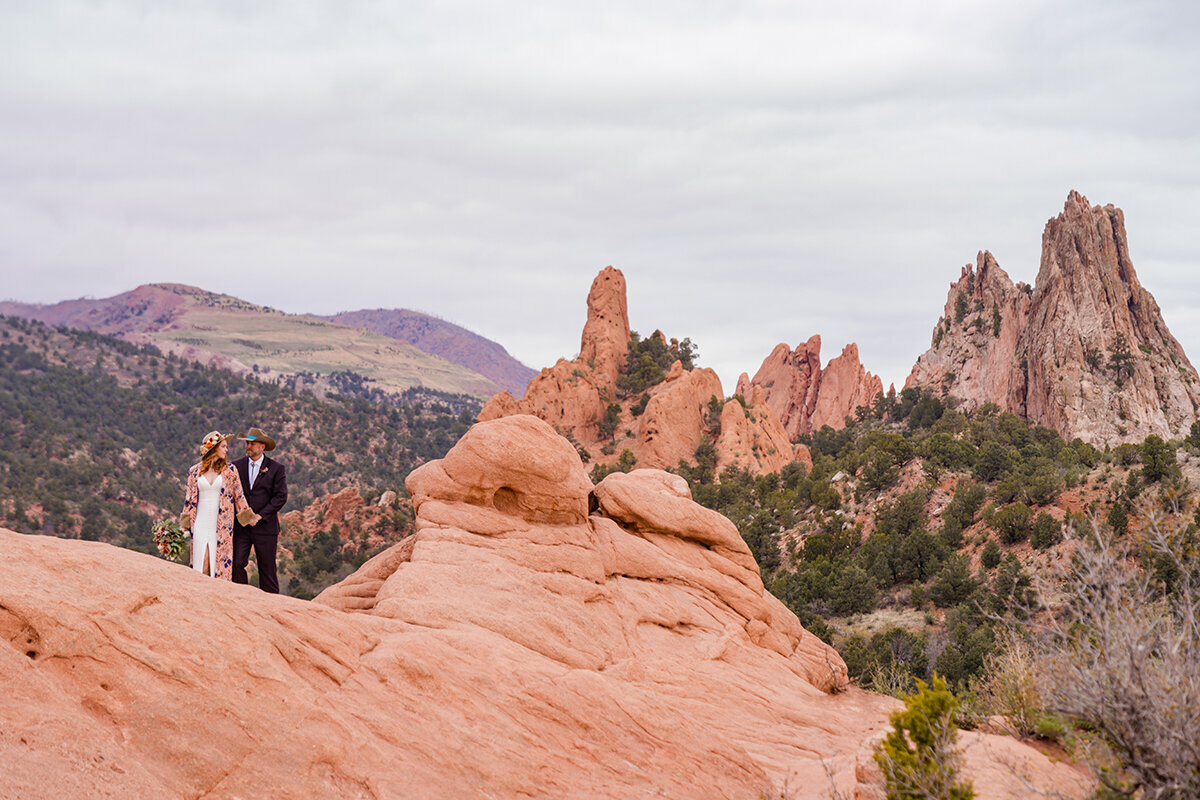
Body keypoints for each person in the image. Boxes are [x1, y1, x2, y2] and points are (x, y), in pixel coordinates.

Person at [180, 431, 258, 579]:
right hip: (200, 522)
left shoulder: (230, 471)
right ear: (214, 448)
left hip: (222, 524)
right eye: (223, 446)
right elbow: (189, 500)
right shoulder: (194, 471)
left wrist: (249, 518)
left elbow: (239, 496)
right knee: (201, 562)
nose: (226, 449)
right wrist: (184, 525)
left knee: (218, 564)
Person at [231, 427, 288, 593]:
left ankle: (272, 606)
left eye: (252, 443)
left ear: (262, 446)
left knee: (267, 568)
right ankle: (240, 598)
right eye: (247, 443)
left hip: (265, 527)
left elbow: (280, 497)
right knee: (237, 563)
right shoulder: (235, 466)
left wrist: (261, 516)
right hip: (241, 527)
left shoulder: (277, 468)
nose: (248, 446)